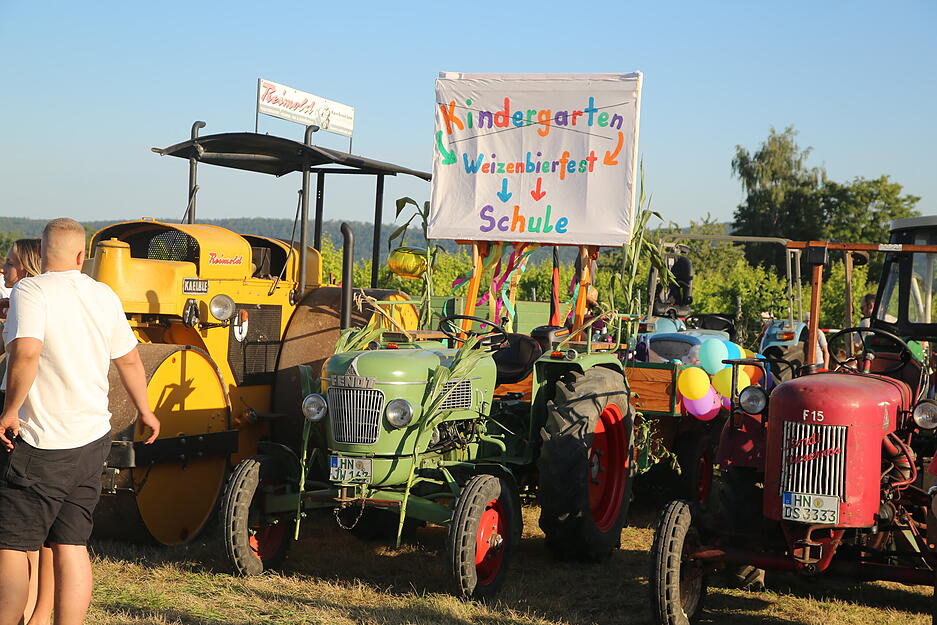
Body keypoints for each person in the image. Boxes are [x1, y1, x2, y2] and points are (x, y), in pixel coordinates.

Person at [0, 218, 160, 625]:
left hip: (42, 440)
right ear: (81, 255)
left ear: (42, 251)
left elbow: (27, 353)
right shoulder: (103, 294)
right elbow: (129, 360)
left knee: (13, 544)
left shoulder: (31, 290)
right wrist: (145, 411)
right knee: (71, 544)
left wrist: (11, 409)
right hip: (92, 438)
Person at [0, 239, 52, 625]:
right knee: (42, 535)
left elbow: (23, 357)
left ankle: (21, 612)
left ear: (28, 266)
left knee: (19, 533)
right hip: (49, 424)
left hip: (24, 420)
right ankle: (38, 612)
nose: (4, 268)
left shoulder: (28, 297)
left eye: (10, 262)